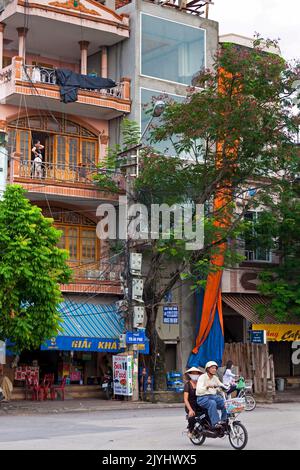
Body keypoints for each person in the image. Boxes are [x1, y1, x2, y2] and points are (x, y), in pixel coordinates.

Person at [196, 361, 228, 429]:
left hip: (213, 396)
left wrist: (228, 387)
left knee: (225, 403)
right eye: (212, 368)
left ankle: (224, 420)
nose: (214, 369)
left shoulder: (215, 378)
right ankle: (215, 423)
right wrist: (207, 386)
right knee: (212, 403)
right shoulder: (202, 377)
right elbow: (199, 390)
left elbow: (220, 384)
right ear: (207, 369)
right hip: (202, 398)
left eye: (215, 368)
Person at [183, 367, 202, 438]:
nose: (195, 374)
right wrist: (190, 410)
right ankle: (190, 430)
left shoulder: (200, 384)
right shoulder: (187, 385)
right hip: (190, 405)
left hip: (200, 403)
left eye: (196, 373)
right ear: (190, 374)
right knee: (192, 415)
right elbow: (185, 399)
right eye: (193, 373)